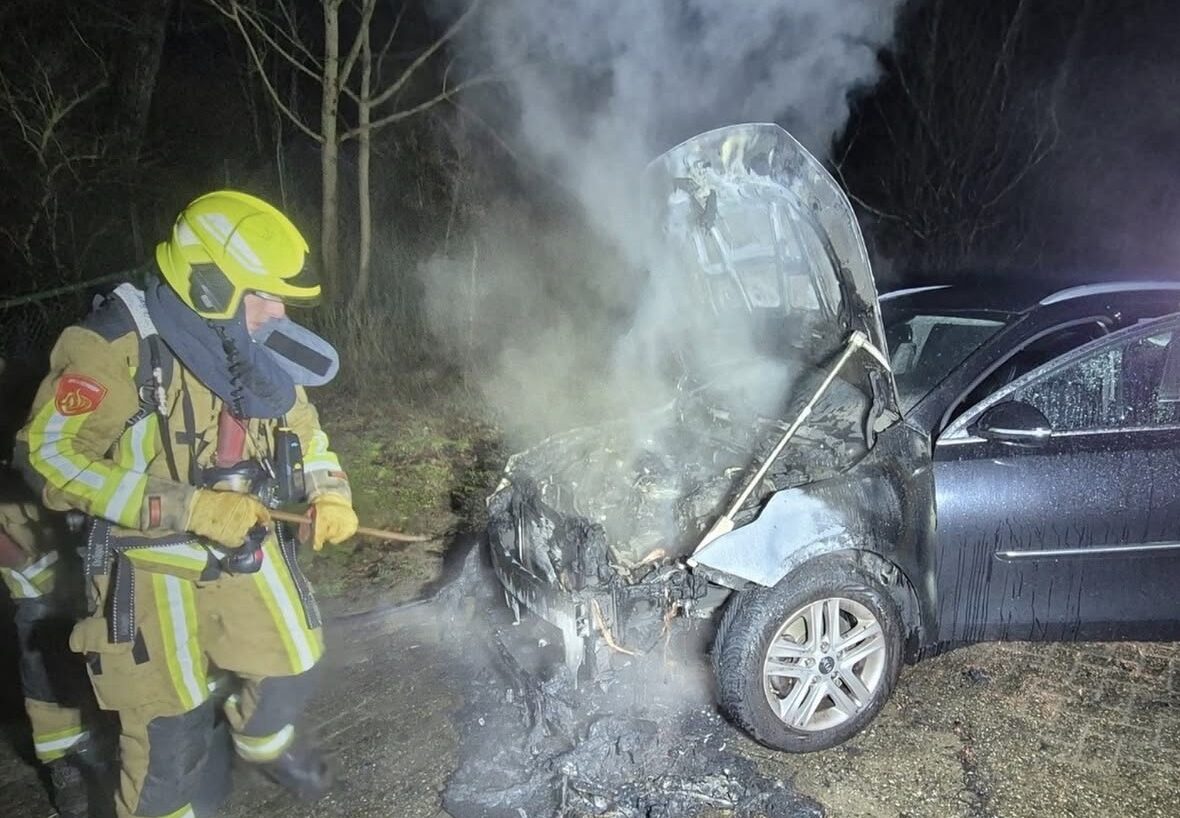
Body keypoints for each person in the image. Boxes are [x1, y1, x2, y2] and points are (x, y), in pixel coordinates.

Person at [15, 190, 359, 818]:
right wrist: (186, 507)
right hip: (143, 560)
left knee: (294, 660)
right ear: (210, 286)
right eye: (264, 294)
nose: (278, 310)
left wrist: (330, 490)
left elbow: (303, 429)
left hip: (242, 539)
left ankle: (261, 740)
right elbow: (47, 459)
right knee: (169, 746)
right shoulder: (111, 348)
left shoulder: (253, 340)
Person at [0, 491, 104, 818]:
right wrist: (27, 568)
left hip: (96, 555)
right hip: (37, 574)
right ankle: (63, 761)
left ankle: (104, 744)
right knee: (42, 662)